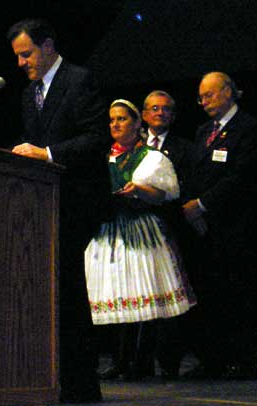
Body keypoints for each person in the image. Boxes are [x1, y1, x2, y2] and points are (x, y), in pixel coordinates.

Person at [7, 18, 110, 403]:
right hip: (43, 204)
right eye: (18, 56)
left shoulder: (80, 80)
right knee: (53, 288)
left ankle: (82, 382)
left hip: (78, 199)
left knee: (67, 286)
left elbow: (96, 138)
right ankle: (54, 376)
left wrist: (47, 153)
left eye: (26, 53)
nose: (21, 63)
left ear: (47, 45)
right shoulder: (29, 93)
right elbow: (32, 141)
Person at [85, 99, 196, 381]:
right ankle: (120, 360)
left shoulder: (150, 157)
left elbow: (165, 194)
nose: (115, 124)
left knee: (141, 293)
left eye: (122, 119)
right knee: (117, 293)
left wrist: (140, 190)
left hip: (140, 229)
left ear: (137, 123)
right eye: (111, 120)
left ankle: (140, 361)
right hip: (109, 230)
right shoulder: (101, 156)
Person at [182, 71, 257, 380]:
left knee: (236, 295)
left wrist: (203, 204)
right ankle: (212, 359)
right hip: (203, 229)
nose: (204, 102)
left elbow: (242, 177)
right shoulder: (204, 131)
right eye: (201, 97)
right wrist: (192, 208)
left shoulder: (249, 128)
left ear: (229, 92)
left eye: (210, 95)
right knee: (208, 295)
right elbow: (193, 174)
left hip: (235, 227)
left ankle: (243, 360)